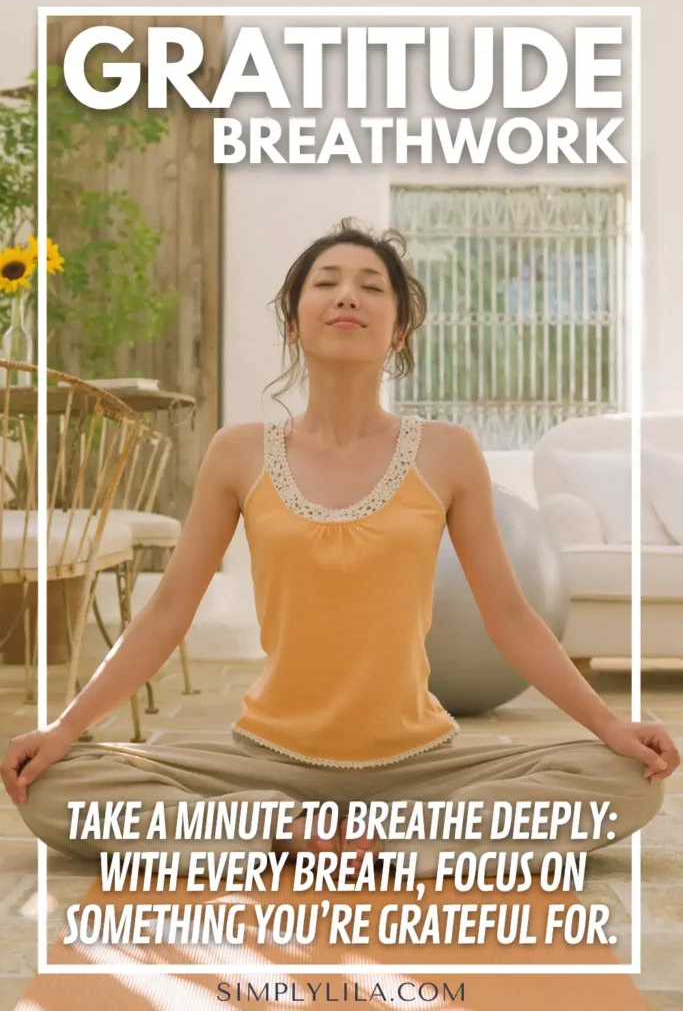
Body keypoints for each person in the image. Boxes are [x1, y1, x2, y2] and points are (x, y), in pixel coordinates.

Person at [1, 219, 679, 879]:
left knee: (623, 780)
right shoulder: (238, 451)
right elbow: (167, 610)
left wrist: (609, 725)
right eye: (326, 282)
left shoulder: (447, 452)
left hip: (419, 768)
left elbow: (510, 616)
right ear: (294, 324)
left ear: (399, 330)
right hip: (264, 760)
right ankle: (288, 832)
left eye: (371, 286)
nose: (347, 295)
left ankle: (377, 840)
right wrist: (63, 728)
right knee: (61, 785)